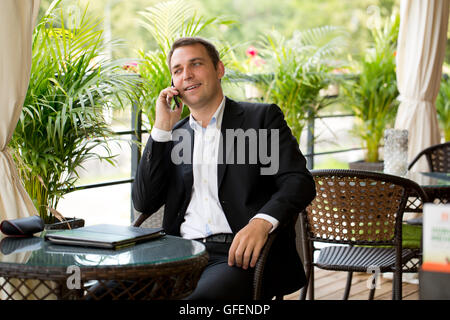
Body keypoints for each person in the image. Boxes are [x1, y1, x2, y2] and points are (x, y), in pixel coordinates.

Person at [132, 37, 316, 300]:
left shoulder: (260, 120)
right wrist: (161, 128)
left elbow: (297, 181)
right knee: (101, 293)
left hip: (237, 256)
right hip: (178, 254)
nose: (187, 75)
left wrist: (261, 222)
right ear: (173, 83)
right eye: (178, 70)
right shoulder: (175, 135)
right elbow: (144, 200)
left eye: (196, 64)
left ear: (219, 69)